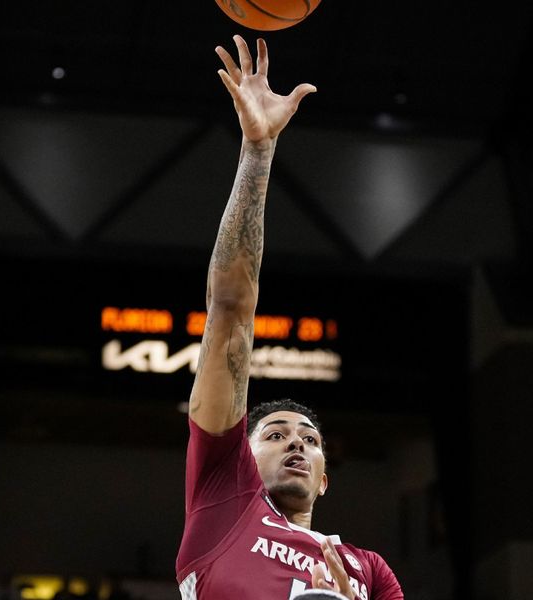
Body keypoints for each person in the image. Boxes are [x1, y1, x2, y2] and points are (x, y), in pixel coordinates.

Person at [174, 35, 404, 600]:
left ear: (325, 478)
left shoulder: (367, 570)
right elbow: (230, 308)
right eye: (275, 435)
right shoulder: (224, 501)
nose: (296, 445)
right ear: (241, 461)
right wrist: (257, 151)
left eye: (309, 439)